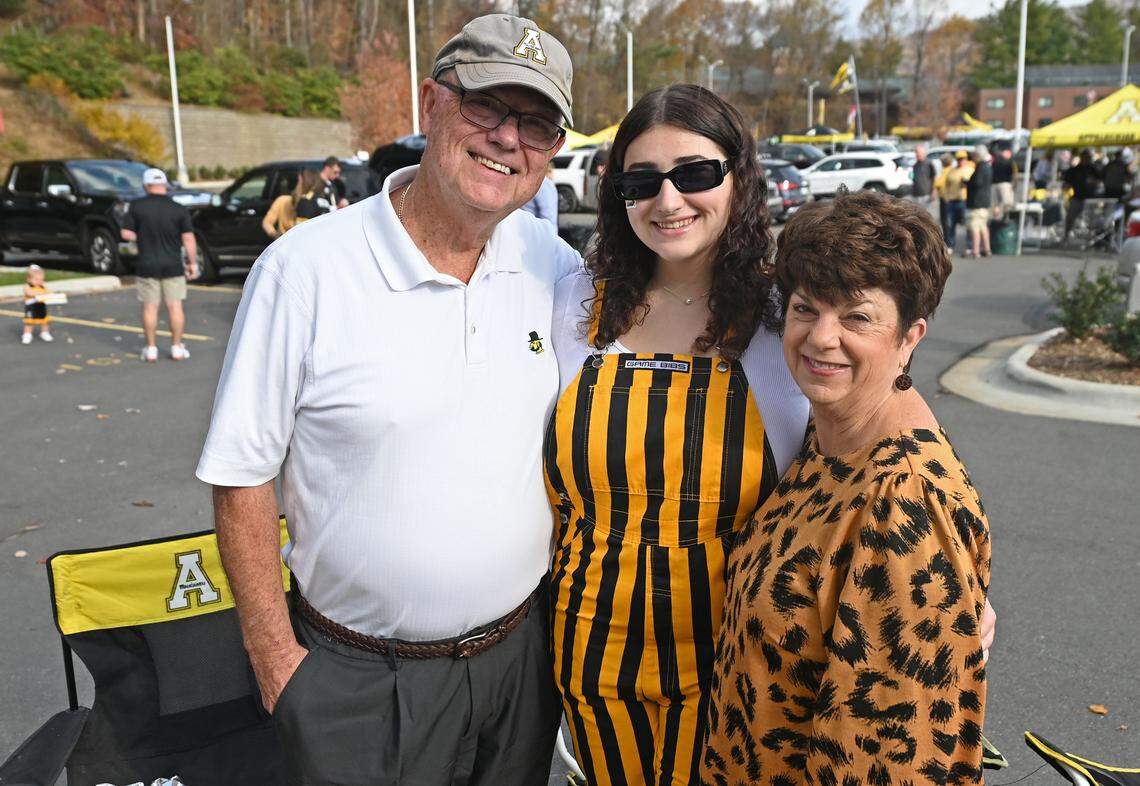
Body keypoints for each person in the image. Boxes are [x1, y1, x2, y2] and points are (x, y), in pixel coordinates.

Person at [196, 14, 579, 785]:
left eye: (535, 123)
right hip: (358, 680)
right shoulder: (304, 270)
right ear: (432, 103)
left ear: (552, 155)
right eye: (487, 107)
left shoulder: (551, 261)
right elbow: (242, 474)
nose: (508, 138)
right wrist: (277, 660)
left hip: (518, 668)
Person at [546, 84, 811, 786]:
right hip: (591, 663)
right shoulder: (574, 302)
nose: (669, 202)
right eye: (641, 181)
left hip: (742, 666)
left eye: (695, 174)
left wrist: (959, 575)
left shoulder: (788, 314)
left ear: (740, 176)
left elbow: (886, 423)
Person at [701, 191, 992, 786]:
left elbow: (891, 761)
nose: (820, 337)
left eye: (856, 317)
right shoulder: (830, 437)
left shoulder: (906, 504)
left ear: (910, 335)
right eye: (806, 309)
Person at [120, 168, 197, 362]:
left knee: (150, 307)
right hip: (172, 264)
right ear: (165, 185)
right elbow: (188, 238)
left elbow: (125, 234)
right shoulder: (178, 208)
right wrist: (192, 263)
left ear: (146, 185)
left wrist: (141, 236)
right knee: (175, 306)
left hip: (146, 264)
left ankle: (151, 347)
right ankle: (177, 347)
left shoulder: (136, 207)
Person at [262, 169, 321, 238]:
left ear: (301, 181)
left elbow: (267, 222)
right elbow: (267, 222)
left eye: (298, 180)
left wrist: (276, 237)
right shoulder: (317, 202)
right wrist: (275, 236)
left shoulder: (308, 203)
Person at [1063, 148, 1101, 242]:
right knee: (1070, 217)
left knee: (1091, 219)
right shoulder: (1075, 170)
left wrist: (1094, 182)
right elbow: (1066, 184)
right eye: (1085, 157)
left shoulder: (1093, 169)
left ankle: (1090, 238)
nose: (1087, 159)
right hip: (1077, 197)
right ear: (1081, 157)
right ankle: (1066, 235)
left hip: (1090, 198)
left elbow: (1100, 181)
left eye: (1088, 157)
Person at [965, 144, 993, 257]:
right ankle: (987, 249)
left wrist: (967, 183)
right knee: (983, 226)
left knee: (975, 227)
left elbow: (977, 183)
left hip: (977, 201)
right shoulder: (988, 166)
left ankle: (975, 250)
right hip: (985, 201)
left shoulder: (981, 167)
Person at [942, 150, 973, 253]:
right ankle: (951, 245)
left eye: (963, 159)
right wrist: (946, 197)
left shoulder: (970, 170)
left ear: (966, 159)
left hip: (964, 200)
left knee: (967, 224)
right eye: (959, 159)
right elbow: (946, 185)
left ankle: (969, 246)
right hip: (952, 200)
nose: (961, 161)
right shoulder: (952, 171)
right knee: (951, 224)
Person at [21, 264, 53, 344]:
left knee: (45, 321)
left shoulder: (42, 287)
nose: (39, 282)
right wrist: (39, 293)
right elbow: (29, 293)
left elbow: (49, 292)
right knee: (29, 322)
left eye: (41, 280)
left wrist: (50, 294)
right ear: (29, 279)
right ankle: (27, 334)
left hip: (41, 307)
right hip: (31, 307)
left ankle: (44, 332)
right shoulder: (28, 286)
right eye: (36, 279)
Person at [521, 160, 558, 226]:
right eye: (550, 171)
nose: (552, 176)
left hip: (529, 230)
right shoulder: (544, 184)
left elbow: (548, 217)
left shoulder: (541, 183)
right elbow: (549, 217)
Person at [910, 143, 937, 216]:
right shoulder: (915, 165)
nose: (917, 155)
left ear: (924, 153)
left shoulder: (929, 163)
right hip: (916, 195)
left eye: (919, 153)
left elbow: (934, 177)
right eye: (916, 153)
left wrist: (934, 191)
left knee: (927, 216)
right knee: (918, 216)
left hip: (926, 194)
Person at [992, 146, 1016, 219]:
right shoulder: (1009, 162)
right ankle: (1006, 219)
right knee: (1007, 204)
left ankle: (995, 219)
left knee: (996, 205)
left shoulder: (995, 162)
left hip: (994, 184)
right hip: (1005, 185)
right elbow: (1014, 174)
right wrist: (1014, 185)